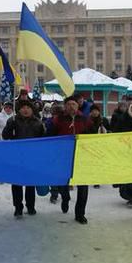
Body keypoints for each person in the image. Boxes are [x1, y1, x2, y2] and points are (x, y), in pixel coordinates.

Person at [48, 96, 92, 224]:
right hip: (63, 156)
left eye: (74, 104)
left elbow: (92, 135)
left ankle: (80, 214)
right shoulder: (57, 119)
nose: (71, 106)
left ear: (78, 106)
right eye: (69, 104)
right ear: (65, 106)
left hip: (81, 156)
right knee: (63, 182)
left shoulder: (84, 119)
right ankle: (65, 197)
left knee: (83, 185)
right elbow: (50, 135)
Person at [2, 99, 45, 217]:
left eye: (28, 108)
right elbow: (5, 136)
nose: (25, 110)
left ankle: (31, 206)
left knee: (30, 184)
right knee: (16, 183)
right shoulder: (13, 120)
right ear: (19, 109)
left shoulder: (38, 122)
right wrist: (10, 126)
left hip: (32, 157)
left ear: (32, 110)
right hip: (16, 156)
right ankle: (18, 207)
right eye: (23, 108)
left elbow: (43, 140)